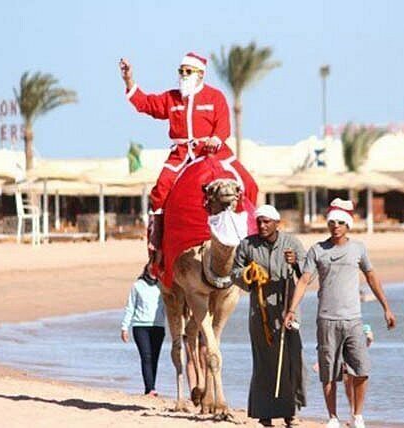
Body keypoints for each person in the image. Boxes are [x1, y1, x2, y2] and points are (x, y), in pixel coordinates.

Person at [283, 198, 396, 428]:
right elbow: (305, 280)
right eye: (332, 222)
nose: (335, 226)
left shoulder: (358, 249)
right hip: (326, 319)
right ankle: (333, 417)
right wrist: (291, 309)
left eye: (340, 222)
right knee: (328, 373)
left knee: (362, 369)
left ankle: (357, 415)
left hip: (353, 319)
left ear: (348, 226)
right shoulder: (318, 250)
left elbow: (371, 277)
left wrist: (386, 308)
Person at [119, 53, 238, 257]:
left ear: (201, 74)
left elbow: (224, 125)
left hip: (211, 152)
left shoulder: (215, 96)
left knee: (246, 183)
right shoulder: (171, 98)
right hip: (181, 154)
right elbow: (145, 103)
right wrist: (129, 79)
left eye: (188, 71)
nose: (183, 75)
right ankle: (157, 241)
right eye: (181, 71)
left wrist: (216, 139)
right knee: (160, 190)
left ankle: (250, 237)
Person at [232, 204, 307, 427]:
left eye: (267, 222)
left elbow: (307, 274)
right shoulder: (247, 245)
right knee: (264, 361)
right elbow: (235, 273)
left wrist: (296, 264)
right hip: (260, 313)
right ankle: (264, 413)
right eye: (259, 222)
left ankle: (290, 412)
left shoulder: (292, 243)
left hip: (287, 311)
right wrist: (249, 276)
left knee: (291, 360)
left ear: (277, 223)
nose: (263, 226)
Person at [120, 264, 166, 396]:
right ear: (146, 270)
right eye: (150, 268)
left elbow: (170, 306)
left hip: (158, 326)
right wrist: (124, 327)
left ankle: (150, 387)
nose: (153, 271)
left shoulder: (163, 286)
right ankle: (150, 388)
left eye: (155, 269)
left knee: (154, 358)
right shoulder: (137, 286)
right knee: (146, 356)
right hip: (140, 326)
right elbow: (130, 307)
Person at [344, 324, 374, 417]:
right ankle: (352, 410)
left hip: (356, 352)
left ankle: (355, 412)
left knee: (355, 380)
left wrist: (368, 338)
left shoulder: (362, 324)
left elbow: (370, 337)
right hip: (344, 352)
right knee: (347, 381)